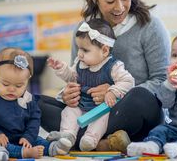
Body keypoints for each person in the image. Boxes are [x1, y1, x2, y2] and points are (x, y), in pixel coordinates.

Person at [38, 0, 170, 152]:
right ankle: (104, 142)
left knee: (140, 97)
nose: (120, 7)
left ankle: (78, 139)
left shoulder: (150, 26)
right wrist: (69, 93)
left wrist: (115, 94)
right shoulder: (84, 30)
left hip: (131, 111)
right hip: (89, 110)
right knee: (35, 103)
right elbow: (76, 75)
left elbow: (162, 82)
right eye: (110, 0)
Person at [46, 18, 134, 153]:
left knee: (102, 119)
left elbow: (128, 81)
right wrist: (61, 68)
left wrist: (112, 91)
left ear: (104, 51)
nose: (79, 53)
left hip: (100, 107)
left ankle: (90, 139)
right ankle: (68, 136)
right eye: (79, 48)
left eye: (85, 50)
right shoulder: (80, 63)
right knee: (68, 112)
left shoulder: (114, 66)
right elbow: (72, 77)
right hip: (80, 104)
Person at [0, 47, 71, 161]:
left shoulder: (28, 99)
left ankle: (52, 148)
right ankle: (14, 152)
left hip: (22, 138)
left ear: (27, 81)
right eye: (5, 84)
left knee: (38, 140)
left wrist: (28, 137)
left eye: (19, 85)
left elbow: (34, 120)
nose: (11, 89)